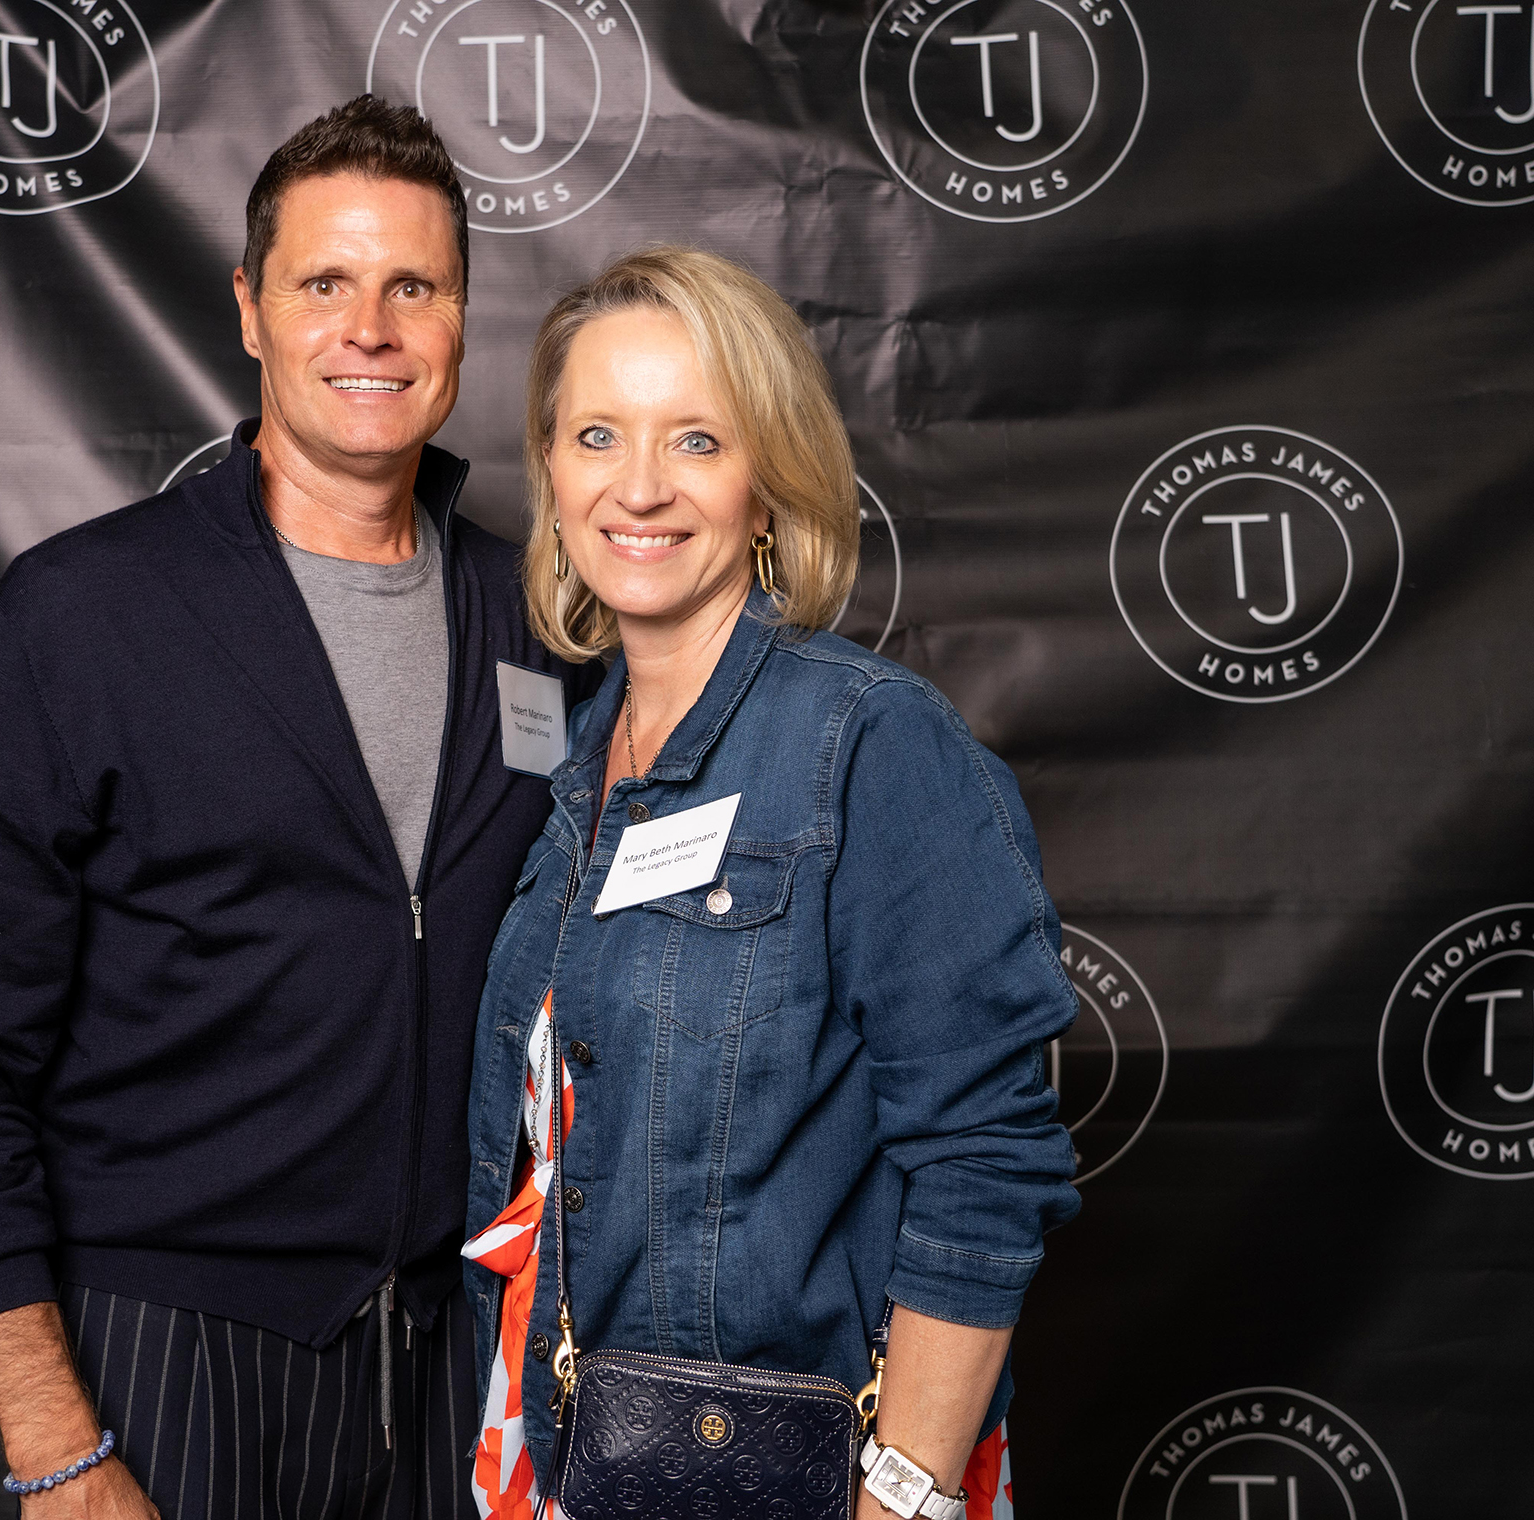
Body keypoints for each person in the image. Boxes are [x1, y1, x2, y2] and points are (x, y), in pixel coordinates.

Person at [0, 96, 597, 1520]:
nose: (370, 327)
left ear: (461, 319)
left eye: (415, 287)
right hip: (166, 1358)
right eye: (325, 282)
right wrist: (55, 1442)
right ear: (251, 313)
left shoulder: (542, 622)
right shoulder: (83, 616)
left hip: (465, 1352)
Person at [459, 248, 1081, 1520]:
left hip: (799, 1483)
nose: (639, 485)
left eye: (695, 438)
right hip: (574, 1463)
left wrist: (899, 1496)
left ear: (765, 486)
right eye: (596, 435)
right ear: (556, 478)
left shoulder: (869, 743)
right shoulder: (583, 770)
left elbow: (985, 1159)